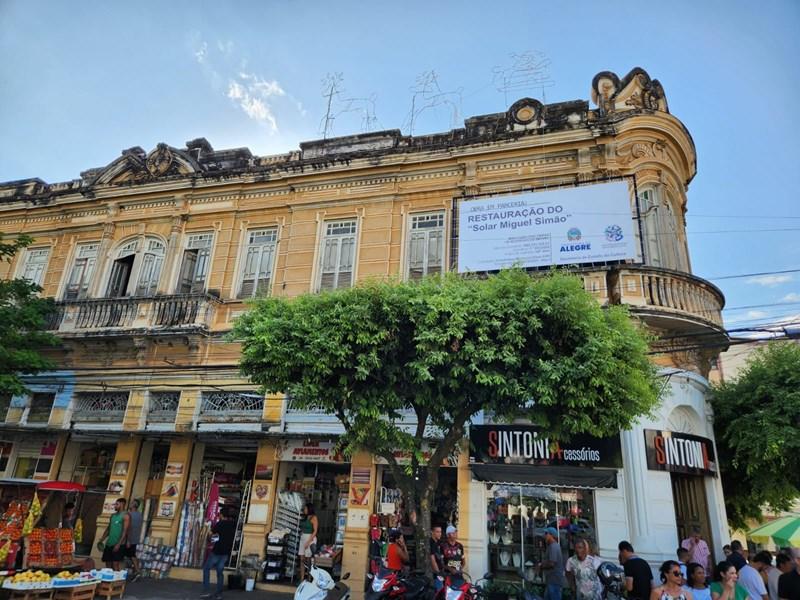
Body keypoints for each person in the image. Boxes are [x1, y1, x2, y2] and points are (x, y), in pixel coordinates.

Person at [201, 508, 235, 600]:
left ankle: (206, 591)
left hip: (217, 551)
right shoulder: (233, 525)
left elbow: (211, 535)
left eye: (219, 514)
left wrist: (208, 528)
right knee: (220, 572)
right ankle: (219, 594)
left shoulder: (219, 524)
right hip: (226, 552)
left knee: (206, 568)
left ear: (221, 515)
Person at [99, 498, 130, 571]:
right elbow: (108, 528)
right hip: (109, 543)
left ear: (122, 504)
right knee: (107, 564)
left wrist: (118, 544)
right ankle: (108, 581)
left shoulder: (126, 516)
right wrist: (102, 539)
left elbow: (124, 531)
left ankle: (117, 581)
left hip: (118, 544)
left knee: (115, 564)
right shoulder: (113, 516)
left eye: (117, 504)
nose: (115, 506)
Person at [539, 527, 566, 600]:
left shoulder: (553, 547)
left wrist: (541, 566)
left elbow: (552, 564)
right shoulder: (551, 546)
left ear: (551, 535)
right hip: (551, 581)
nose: (544, 536)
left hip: (555, 581)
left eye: (546, 534)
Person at [298, 503, 318, 582]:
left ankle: (309, 578)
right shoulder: (304, 517)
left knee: (308, 559)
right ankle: (302, 578)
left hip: (310, 538)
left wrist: (308, 542)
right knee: (302, 559)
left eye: (306, 508)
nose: (305, 510)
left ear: (309, 509)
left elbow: (315, 531)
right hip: (303, 538)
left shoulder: (314, 518)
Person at [125, 499, 143, 581]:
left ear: (134, 505)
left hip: (129, 538)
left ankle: (137, 571)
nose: (130, 504)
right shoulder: (139, 515)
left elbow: (129, 527)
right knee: (132, 555)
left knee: (131, 555)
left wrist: (128, 539)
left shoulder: (130, 515)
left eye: (131, 503)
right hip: (135, 538)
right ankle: (135, 570)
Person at [430, 525, 445, 591]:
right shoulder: (431, 543)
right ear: (432, 532)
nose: (439, 534)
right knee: (439, 592)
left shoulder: (439, 543)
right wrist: (438, 572)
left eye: (440, 532)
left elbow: (441, 557)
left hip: (441, 572)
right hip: (435, 573)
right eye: (437, 532)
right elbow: (433, 560)